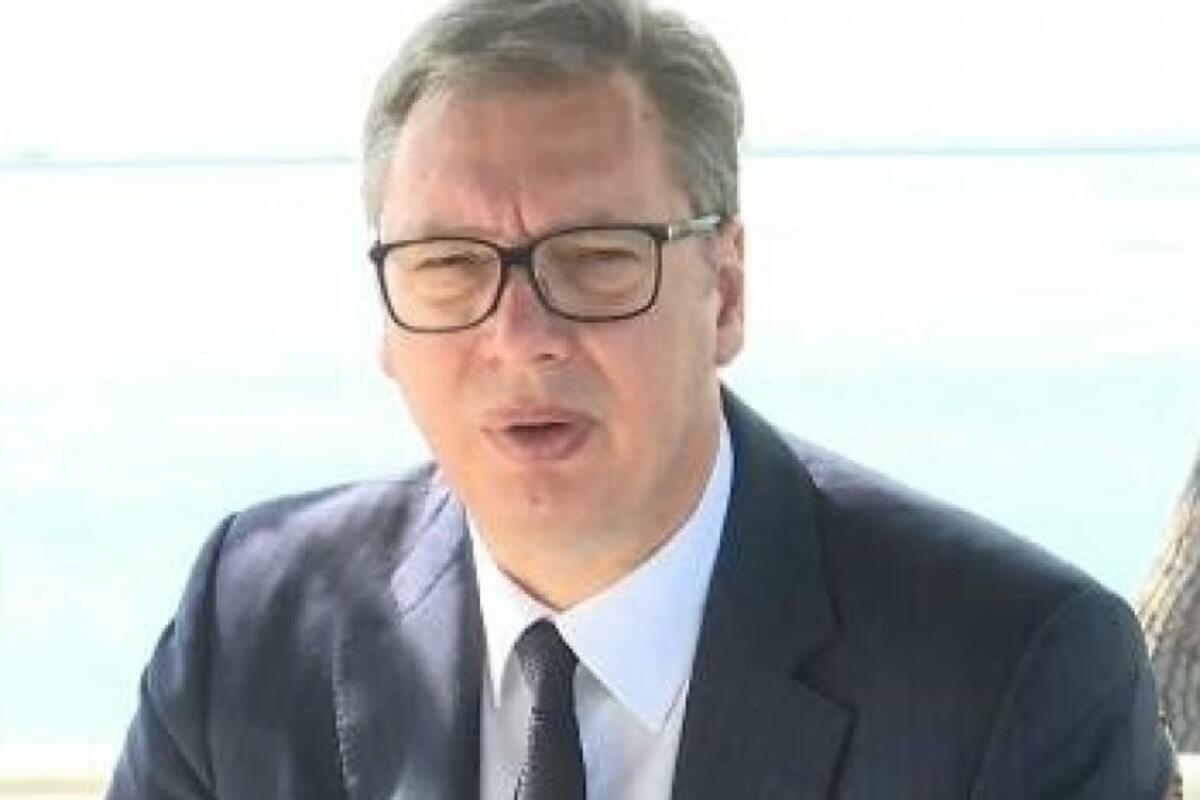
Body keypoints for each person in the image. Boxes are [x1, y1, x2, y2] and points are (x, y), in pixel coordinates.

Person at [107, 0, 1173, 797]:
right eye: (448, 266)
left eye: (597, 257)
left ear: (727, 293)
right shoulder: (248, 624)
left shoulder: (1009, 671)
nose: (519, 335)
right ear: (386, 317)